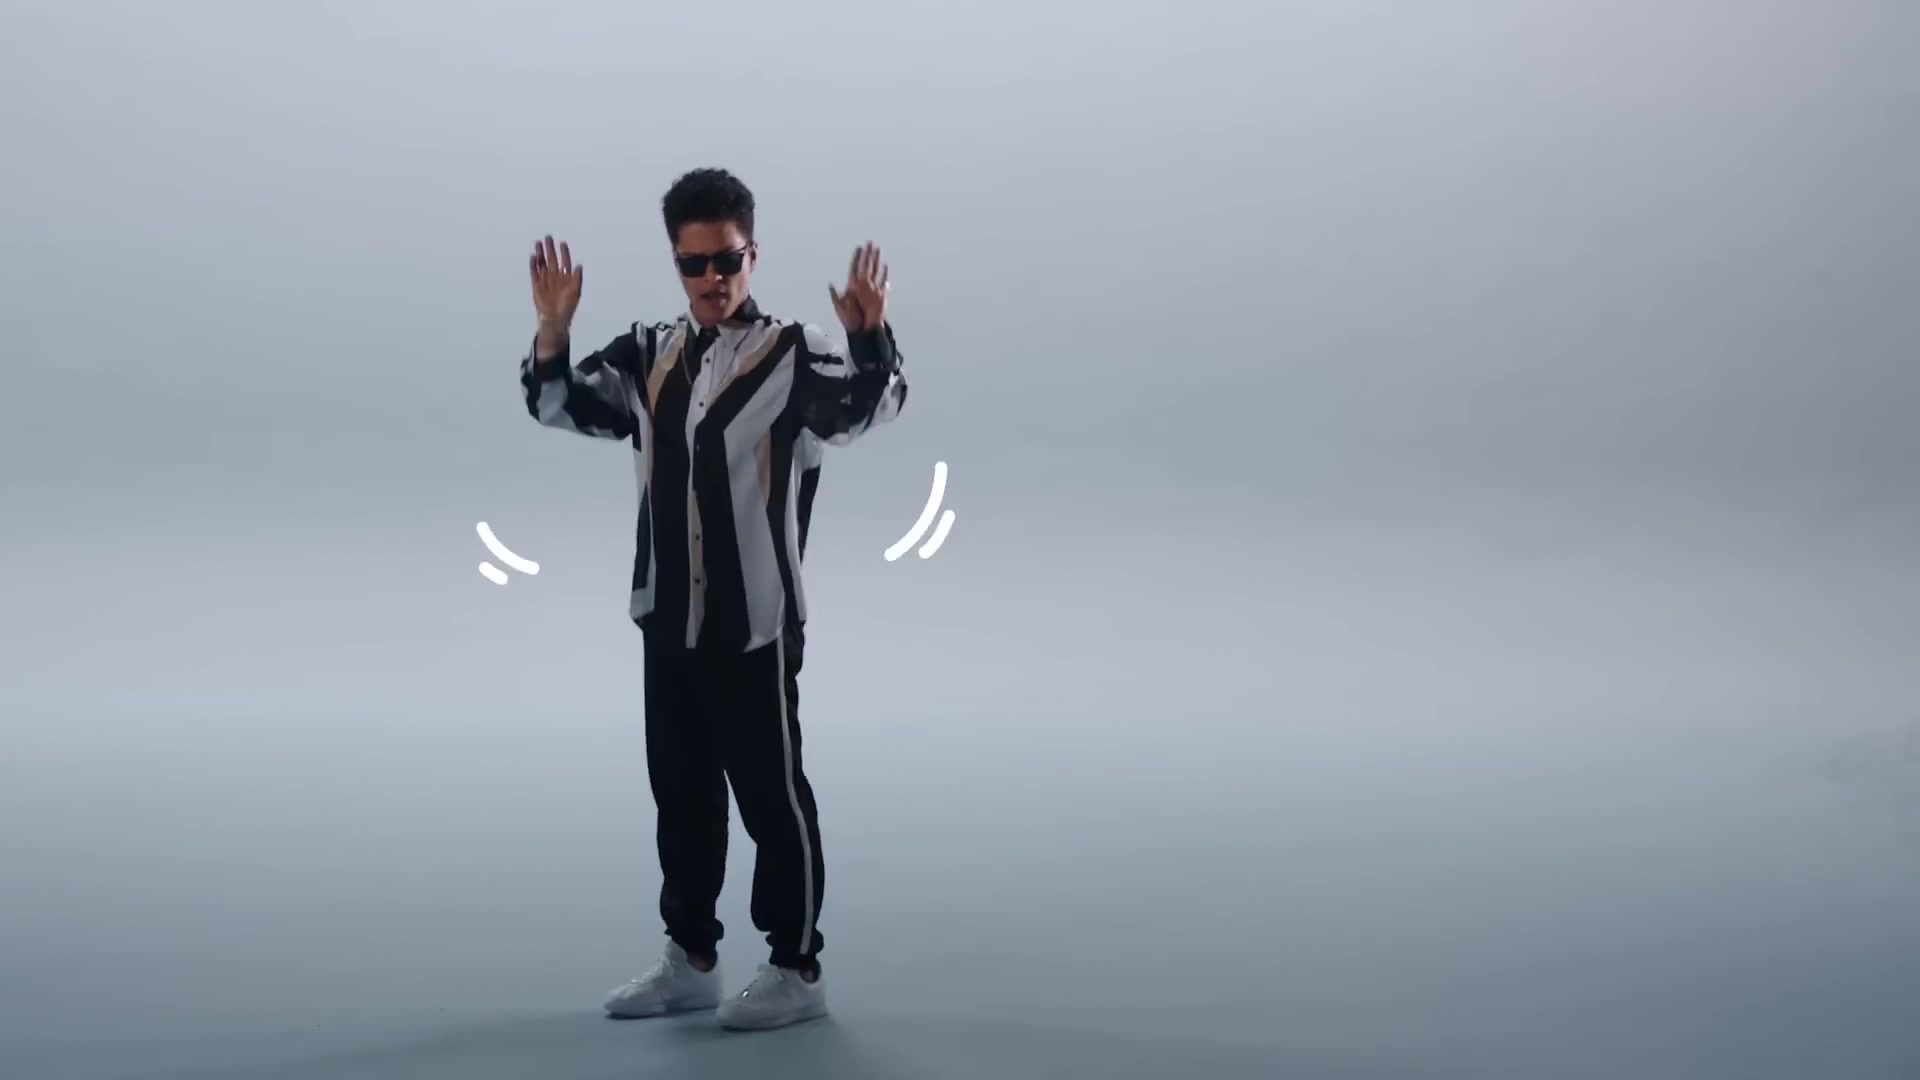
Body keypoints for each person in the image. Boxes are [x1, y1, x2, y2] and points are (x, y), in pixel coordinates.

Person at [518, 167, 906, 1031]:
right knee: (683, 794)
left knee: (772, 798)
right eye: (694, 263)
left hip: (753, 623)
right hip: (668, 617)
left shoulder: (794, 352)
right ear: (676, 264)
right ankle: (690, 956)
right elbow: (557, 404)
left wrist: (871, 338)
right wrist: (552, 332)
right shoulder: (647, 353)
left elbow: (868, 410)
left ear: (751, 255)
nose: (712, 278)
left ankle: (797, 966)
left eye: (726, 259)